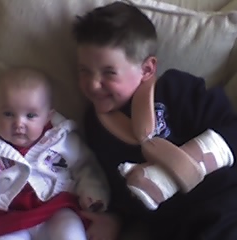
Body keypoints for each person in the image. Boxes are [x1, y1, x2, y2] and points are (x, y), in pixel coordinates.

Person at [72, 2, 237, 240]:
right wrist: (115, 218)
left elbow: (231, 130)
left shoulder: (175, 89)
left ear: (147, 69)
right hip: (172, 225)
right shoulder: (94, 124)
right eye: (84, 71)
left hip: (222, 198)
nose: (93, 84)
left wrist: (179, 167)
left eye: (109, 72)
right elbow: (119, 190)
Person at [0, 67, 109, 240]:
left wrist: (93, 192)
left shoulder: (62, 139)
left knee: (70, 232)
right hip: (8, 220)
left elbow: (85, 166)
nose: (19, 124)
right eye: (8, 114)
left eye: (31, 115)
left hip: (56, 210)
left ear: (48, 116)